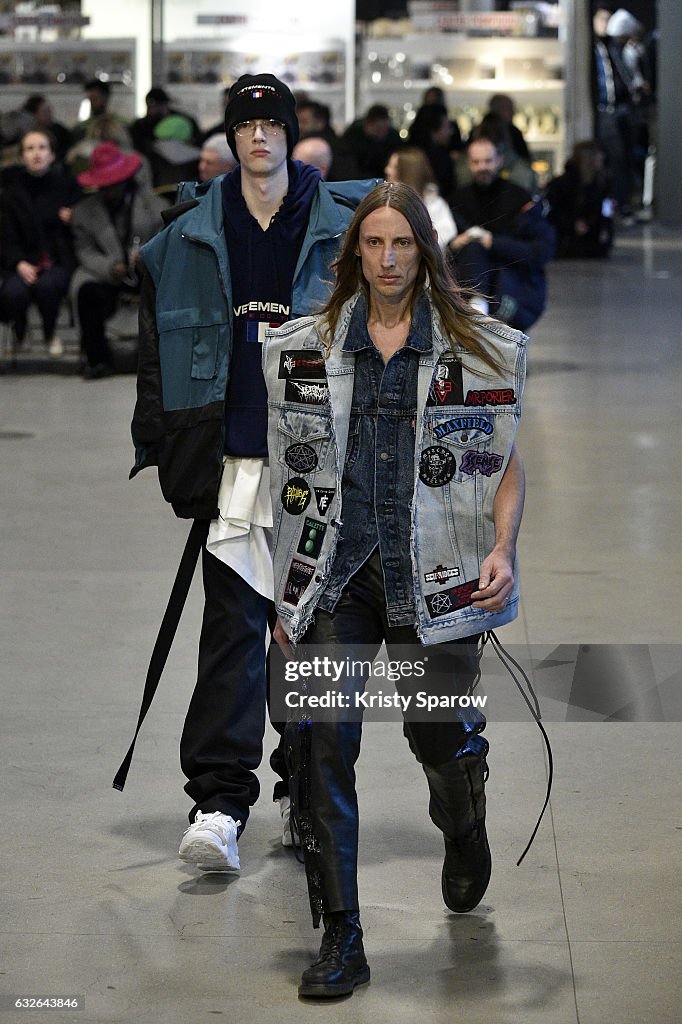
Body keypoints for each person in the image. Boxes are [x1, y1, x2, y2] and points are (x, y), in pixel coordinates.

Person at [262, 180, 526, 998]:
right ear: (354, 254)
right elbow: (291, 479)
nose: (386, 259)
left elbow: (503, 466)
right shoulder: (307, 349)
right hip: (336, 577)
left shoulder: (477, 348)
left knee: (434, 733)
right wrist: (284, 593)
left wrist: (505, 549)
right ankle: (343, 935)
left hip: (436, 576)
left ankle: (464, 816)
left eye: (401, 244)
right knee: (321, 741)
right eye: (373, 244)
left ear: (424, 249)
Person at [124, 74, 379, 873]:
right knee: (232, 631)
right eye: (246, 124)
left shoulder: (353, 224)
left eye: (273, 122)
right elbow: (155, 352)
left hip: (325, 463)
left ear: (291, 131)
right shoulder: (185, 236)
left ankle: (302, 798)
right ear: (230, 137)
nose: (260, 135)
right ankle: (217, 804)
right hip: (235, 459)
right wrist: (164, 447)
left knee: (312, 635)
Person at [70, 142, 165, 379]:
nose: (109, 189)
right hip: (107, 274)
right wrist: (110, 268)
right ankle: (97, 359)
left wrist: (146, 256)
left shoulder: (155, 207)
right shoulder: (83, 212)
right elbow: (84, 251)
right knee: (86, 292)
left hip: (147, 271)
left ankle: (161, 358)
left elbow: (165, 242)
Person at [449, 135, 555, 329]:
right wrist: (454, 244)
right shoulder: (457, 200)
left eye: (488, 161)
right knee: (472, 248)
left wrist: (493, 242)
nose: (482, 167)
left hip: (513, 289)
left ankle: (477, 310)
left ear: (499, 161)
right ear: (469, 164)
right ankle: (477, 310)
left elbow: (542, 250)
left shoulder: (519, 199)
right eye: (476, 162)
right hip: (467, 289)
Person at [0, 129, 81, 357]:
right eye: (30, 148)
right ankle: (21, 329)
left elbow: (81, 228)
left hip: (55, 259)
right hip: (20, 260)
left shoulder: (66, 187)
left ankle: (49, 331)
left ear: (52, 155)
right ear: (22, 156)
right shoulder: (11, 193)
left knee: (49, 286)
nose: (36, 154)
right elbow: (7, 236)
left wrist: (73, 219)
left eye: (42, 148)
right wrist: (19, 263)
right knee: (13, 291)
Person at [591, 4, 637, 220]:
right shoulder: (592, 47)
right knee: (614, 158)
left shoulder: (612, 46)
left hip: (620, 109)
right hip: (605, 110)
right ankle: (613, 205)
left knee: (623, 159)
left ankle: (622, 203)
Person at [545, 140, 615, 258]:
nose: (601, 159)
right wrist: (572, 223)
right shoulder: (565, 183)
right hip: (568, 237)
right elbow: (556, 209)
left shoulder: (601, 182)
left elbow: (606, 207)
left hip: (592, 236)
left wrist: (605, 226)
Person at [384, 145, 457, 251]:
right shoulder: (384, 202)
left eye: (394, 167)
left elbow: (446, 235)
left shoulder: (435, 204)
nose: (387, 170)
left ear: (409, 173)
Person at [407, 102, 457, 201]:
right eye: (446, 126)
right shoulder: (441, 159)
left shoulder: (409, 153)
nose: (451, 132)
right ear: (434, 130)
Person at [341, 104, 401, 179]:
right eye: (378, 128)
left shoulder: (393, 138)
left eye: (385, 128)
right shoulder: (352, 137)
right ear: (367, 124)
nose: (382, 133)